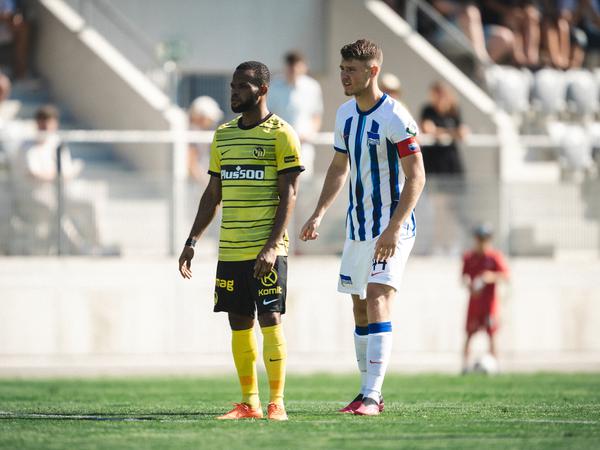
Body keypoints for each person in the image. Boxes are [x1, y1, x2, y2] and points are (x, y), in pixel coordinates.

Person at [299, 39, 426, 416]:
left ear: (372, 71)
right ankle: (367, 393)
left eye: (350, 70)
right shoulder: (343, 115)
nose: (343, 75)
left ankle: (371, 396)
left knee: (376, 297)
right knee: (358, 309)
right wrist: (319, 212)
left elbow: (417, 177)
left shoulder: (395, 117)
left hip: (392, 228)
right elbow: (339, 168)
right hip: (358, 228)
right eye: (341, 69)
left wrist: (394, 227)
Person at [178, 61, 304, 421]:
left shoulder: (281, 134)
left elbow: (290, 193)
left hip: (268, 249)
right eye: (232, 86)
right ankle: (249, 403)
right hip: (231, 249)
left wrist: (271, 245)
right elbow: (212, 192)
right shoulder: (224, 135)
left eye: (242, 87)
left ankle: (277, 402)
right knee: (238, 321)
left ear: (262, 90)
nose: (234, 92)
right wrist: (192, 239)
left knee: (270, 318)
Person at [461, 224, 510, 373]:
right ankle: (465, 366)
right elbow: (464, 277)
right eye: (480, 239)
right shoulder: (469, 257)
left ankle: (496, 365)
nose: (482, 243)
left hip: (490, 304)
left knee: (492, 334)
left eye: (485, 239)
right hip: (474, 303)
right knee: (469, 334)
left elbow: (506, 276)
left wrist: (491, 277)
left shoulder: (495, 257)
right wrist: (469, 286)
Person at [268, 51, 323, 176]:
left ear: (304, 66)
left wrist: (309, 133)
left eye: (297, 66)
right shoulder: (275, 86)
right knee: (279, 182)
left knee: (303, 184)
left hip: (304, 147)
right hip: (279, 145)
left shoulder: (312, 87)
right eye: (290, 66)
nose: (293, 70)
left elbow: (317, 115)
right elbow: (267, 114)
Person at [419, 81, 467, 176]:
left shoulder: (454, 111)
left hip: (450, 158)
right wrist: (452, 132)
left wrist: (440, 131)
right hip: (431, 157)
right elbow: (427, 129)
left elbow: (462, 133)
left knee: (453, 188)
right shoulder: (428, 110)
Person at [187, 95, 223, 183]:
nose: (212, 123)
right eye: (209, 119)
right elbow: (191, 163)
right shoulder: (190, 132)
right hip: (192, 184)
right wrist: (204, 182)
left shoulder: (202, 132)